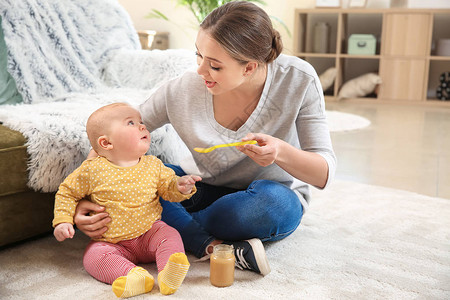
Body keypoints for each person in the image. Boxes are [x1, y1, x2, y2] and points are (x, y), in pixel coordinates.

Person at [74, 1, 336, 277]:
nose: (200, 71)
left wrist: (280, 152)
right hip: (197, 186)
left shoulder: (298, 80)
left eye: (214, 66)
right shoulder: (183, 89)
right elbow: (115, 140)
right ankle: (213, 245)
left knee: (273, 207)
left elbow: (323, 173)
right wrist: (84, 199)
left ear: (249, 67)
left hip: (263, 196)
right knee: (145, 179)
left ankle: (160, 227)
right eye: (198, 55)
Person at [53, 103, 201, 298]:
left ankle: (169, 272)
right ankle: (133, 276)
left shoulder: (153, 165)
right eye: (131, 123)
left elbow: (169, 189)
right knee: (93, 258)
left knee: (171, 235)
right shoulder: (91, 170)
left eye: (140, 122)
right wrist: (63, 220)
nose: (142, 126)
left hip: (150, 233)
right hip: (111, 242)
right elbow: (67, 192)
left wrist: (181, 187)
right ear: (106, 143)